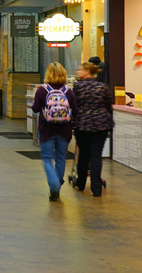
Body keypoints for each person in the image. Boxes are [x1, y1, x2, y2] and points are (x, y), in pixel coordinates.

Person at [33, 62, 78, 201]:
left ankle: (54, 186)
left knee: (47, 158)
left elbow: (35, 108)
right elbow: (76, 111)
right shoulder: (68, 91)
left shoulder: (42, 90)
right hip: (64, 130)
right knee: (60, 158)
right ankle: (57, 184)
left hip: (47, 130)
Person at [72, 62, 114, 197]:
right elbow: (108, 105)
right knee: (96, 155)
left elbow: (74, 105)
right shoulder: (102, 87)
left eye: (80, 70)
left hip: (82, 124)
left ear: (87, 72)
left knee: (83, 154)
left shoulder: (78, 87)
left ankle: (81, 183)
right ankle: (96, 188)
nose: (78, 72)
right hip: (101, 124)